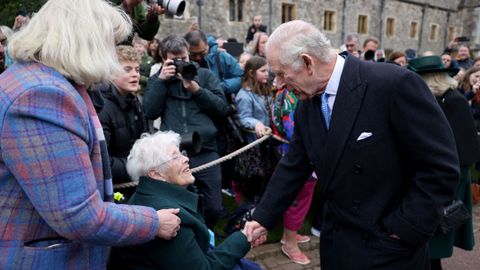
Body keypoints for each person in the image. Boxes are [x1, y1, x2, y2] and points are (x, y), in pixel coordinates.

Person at [245, 20, 460, 270]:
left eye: (281, 73)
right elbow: (294, 165)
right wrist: (263, 217)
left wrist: (404, 228)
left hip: (390, 250)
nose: (278, 83)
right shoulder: (307, 104)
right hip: (338, 246)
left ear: (307, 62)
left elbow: (439, 166)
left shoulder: (392, 84)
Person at [0, 0, 181, 269]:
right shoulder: (41, 95)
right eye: (110, 42)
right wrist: (153, 222)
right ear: (86, 41)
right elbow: (79, 215)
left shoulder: (41, 81)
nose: (112, 53)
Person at [109, 131, 256, 269]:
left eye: (181, 153)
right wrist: (243, 237)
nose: (186, 159)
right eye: (175, 157)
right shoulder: (168, 215)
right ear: (156, 174)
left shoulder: (148, 195)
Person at [143, 35, 229, 228]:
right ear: (164, 59)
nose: (181, 63)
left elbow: (223, 109)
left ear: (189, 55)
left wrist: (197, 90)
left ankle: (208, 236)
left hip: (206, 151)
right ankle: (190, 240)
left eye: (184, 58)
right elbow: (149, 111)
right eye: (175, 60)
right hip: (174, 154)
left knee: (214, 206)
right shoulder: (159, 79)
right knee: (180, 205)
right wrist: (161, 82)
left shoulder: (205, 75)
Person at [407, 55, 480, 270]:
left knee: (435, 242)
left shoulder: (454, 101)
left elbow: (462, 151)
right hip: (439, 179)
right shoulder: (442, 100)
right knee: (428, 246)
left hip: (448, 183)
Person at [271, 81, 317, 265]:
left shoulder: (284, 93)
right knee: (298, 199)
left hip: (294, 152)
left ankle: (288, 235)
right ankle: (289, 243)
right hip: (298, 155)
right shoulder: (290, 96)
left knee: (300, 197)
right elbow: (293, 131)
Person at [96, 45, 147, 191]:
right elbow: (100, 160)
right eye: (127, 69)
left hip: (131, 178)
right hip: (114, 185)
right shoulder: (102, 108)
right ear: (111, 73)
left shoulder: (134, 101)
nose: (135, 75)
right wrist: (136, 167)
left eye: (137, 70)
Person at [234, 56, 273, 201]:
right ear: (252, 73)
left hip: (266, 143)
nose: (267, 74)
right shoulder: (244, 95)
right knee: (254, 183)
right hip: (252, 147)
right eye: (263, 71)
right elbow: (244, 118)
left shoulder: (265, 90)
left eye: (267, 71)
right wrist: (256, 123)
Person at [184, 30, 244, 96]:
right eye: (193, 54)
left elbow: (241, 78)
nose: (198, 57)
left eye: (202, 53)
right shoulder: (183, 60)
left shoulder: (222, 57)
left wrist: (219, 87)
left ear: (207, 45)